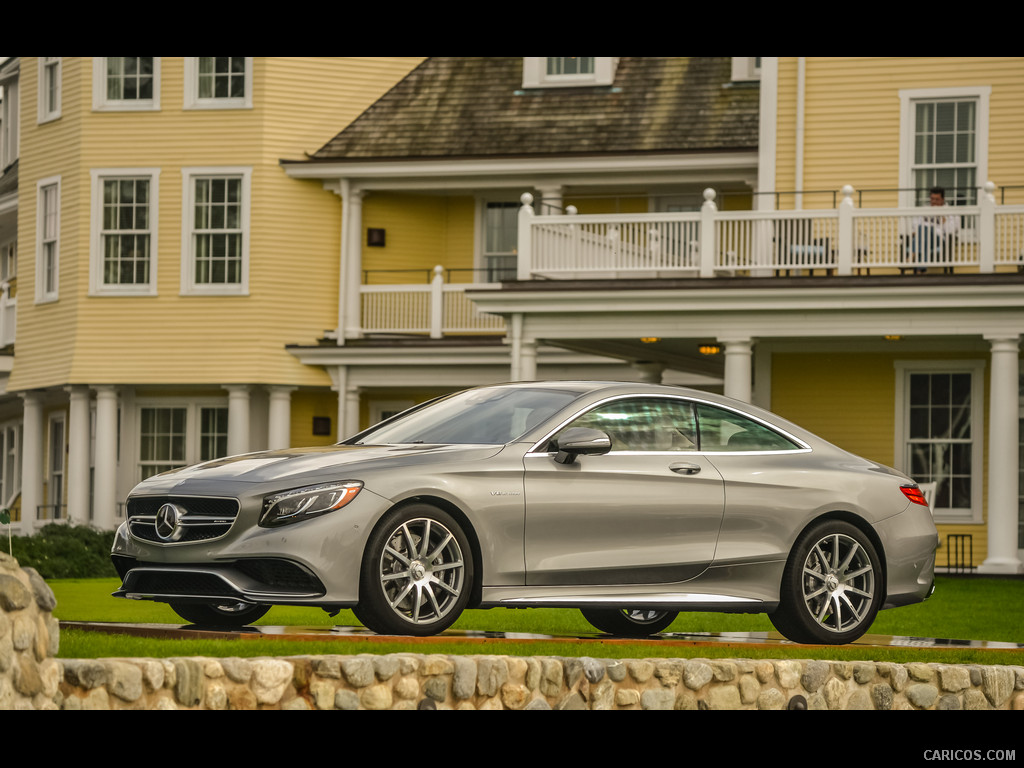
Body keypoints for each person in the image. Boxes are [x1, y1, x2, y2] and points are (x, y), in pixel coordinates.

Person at [908, 186, 959, 273]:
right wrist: (916, 232)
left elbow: (952, 231)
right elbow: (914, 226)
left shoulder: (950, 212)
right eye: (932, 199)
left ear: (943, 199)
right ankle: (921, 270)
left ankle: (912, 254)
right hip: (923, 238)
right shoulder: (924, 209)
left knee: (924, 230)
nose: (934, 202)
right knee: (922, 230)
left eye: (937, 199)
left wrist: (943, 220)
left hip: (939, 239)